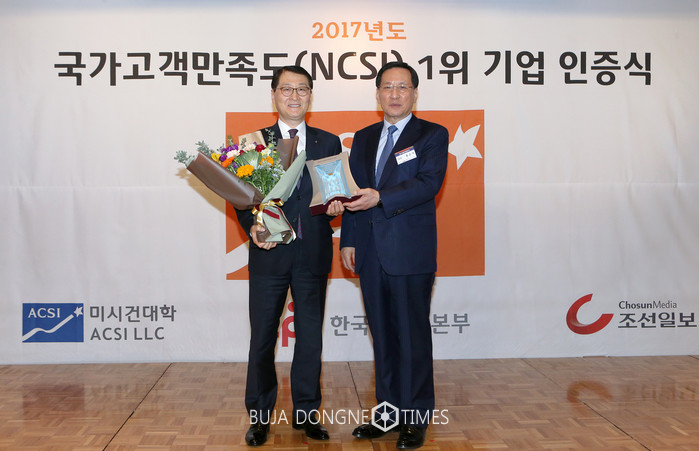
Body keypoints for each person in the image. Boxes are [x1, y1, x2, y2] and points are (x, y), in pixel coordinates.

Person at [336, 61, 449, 449]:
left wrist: (381, 197)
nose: (395, 94)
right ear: (378, 94)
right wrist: (348, 240)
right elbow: (353, 191)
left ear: (415, 93)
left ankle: (415, 418)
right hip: (369, 250)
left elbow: (428, 183)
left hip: (409, 251)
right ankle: (387, 413)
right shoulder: (364, 137)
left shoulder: (431, 134)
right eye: (387, 87)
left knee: (411, 336)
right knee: (382, 336)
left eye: (403, 87)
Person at [235, 65, 342, 446]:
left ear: (311, 96)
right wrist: (252, 225)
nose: (294, 96)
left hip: (313, 252)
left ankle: (307, 412)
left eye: (302, 89)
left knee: (310, 337)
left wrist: (337, 206)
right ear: (273, 95)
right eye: (286, 89)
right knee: (262, 338)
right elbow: (242, 197)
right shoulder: (254, 142)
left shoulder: (328, 141)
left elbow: (333, 192)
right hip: (269, 253)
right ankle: (260, 416)